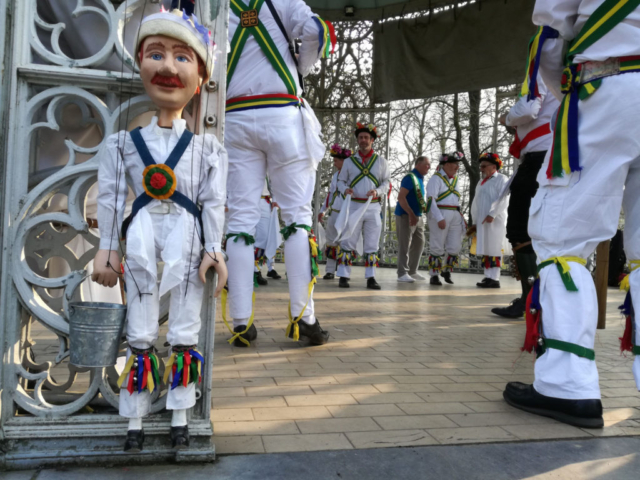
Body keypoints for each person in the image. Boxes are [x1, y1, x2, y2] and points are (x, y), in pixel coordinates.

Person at [91, 8, 228, 451]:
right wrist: (108, 249)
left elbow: (213, 201)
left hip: (188, 238)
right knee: (141, 322)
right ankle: (134, 420)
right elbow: (111, 200)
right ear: (139, 63)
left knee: (186, 324)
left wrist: (215, 248)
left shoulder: (208, 149)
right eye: (156, 54)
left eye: (182, 58)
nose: (168, 68)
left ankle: (181, 415)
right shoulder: (122, 144)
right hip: (143, 235)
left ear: (201, 74)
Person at [503, 0, 640, 429]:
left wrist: (568, 87)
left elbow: (550, 37)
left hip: (608, 86)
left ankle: (567, 384)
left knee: (563, 238)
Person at [224, 0, 334, 347]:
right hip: (283, 114)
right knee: (297, 220)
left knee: (240, 220)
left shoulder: (212, 6)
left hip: (234, 115)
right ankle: (305, 319)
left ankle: (241, 322)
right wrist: (300, 66)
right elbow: (318, 29)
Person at [492, 68, 559, 317]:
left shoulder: (541, 70)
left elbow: (529, 110)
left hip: (538, 161)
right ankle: (545, 300)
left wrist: (507, 118)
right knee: (548, 231)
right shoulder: (567, 73)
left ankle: (530, 300)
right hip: (556, 158)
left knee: (520, 230)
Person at [336, 123, 391, 290]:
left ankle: (371, 277)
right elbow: (340, 181)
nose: (363, 140)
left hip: (373, 207)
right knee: (348, 240)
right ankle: (344, 276)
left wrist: (377, 191)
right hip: (353, 206)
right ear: (357, 140)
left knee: (372, 244)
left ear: (372, 140)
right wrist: (346, 189)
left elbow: (387, 183)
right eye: (360, 137)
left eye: (366, 137)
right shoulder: (349, 162)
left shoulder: (381, 161)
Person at [469, 153, 510, 289]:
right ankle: (488, 277)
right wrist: (475, 220)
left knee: (494, 247)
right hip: (482, 221)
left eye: (484, 166)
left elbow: (504, 199)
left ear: (494, 166)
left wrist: (492, 214)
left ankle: (495, 278)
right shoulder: (481, 183)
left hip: (495, 220)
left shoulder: (502, 179)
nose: (481, 169)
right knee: (485, 247)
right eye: (481, 166)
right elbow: (475, 202)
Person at [425, 152, 465, 286]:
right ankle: (434, 275)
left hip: (454, 214)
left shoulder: (455, 179)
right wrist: (438, 217)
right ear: (447, 164)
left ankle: (446, 270)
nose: (457, 167)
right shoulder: (435, 179)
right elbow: (431, 200)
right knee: (437, 245)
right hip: (440, 213)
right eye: (455, 164)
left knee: (455, 246)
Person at [395, 156, 430, 283]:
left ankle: (412, 271)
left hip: (418, 216)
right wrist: (410, 213)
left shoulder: (420, 178)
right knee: (405, 244)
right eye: (427, 164)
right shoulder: (410, 178)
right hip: (406, 216)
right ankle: (402, 273)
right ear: (418, 164)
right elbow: (401, 197)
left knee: (420, 243)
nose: (429, 167)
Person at [319, 144, 350, 280]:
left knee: (345, 242)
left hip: (348, 212)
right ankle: (330, 270)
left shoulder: (353, 175)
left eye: (336, 160)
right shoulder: (336, 175)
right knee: (331, 241)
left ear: (344, 161)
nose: (334, 163)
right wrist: (323, 210)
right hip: (335, 211)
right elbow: (330, 194)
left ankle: (343, 272)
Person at [254, 179, 282, 286]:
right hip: (245, 200)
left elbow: (272, 181)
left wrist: (275, 199)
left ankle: (256, 270)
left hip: (263, 200)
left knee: (264, 237)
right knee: (244, 236)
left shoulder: (266, 162)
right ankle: (246, 271)